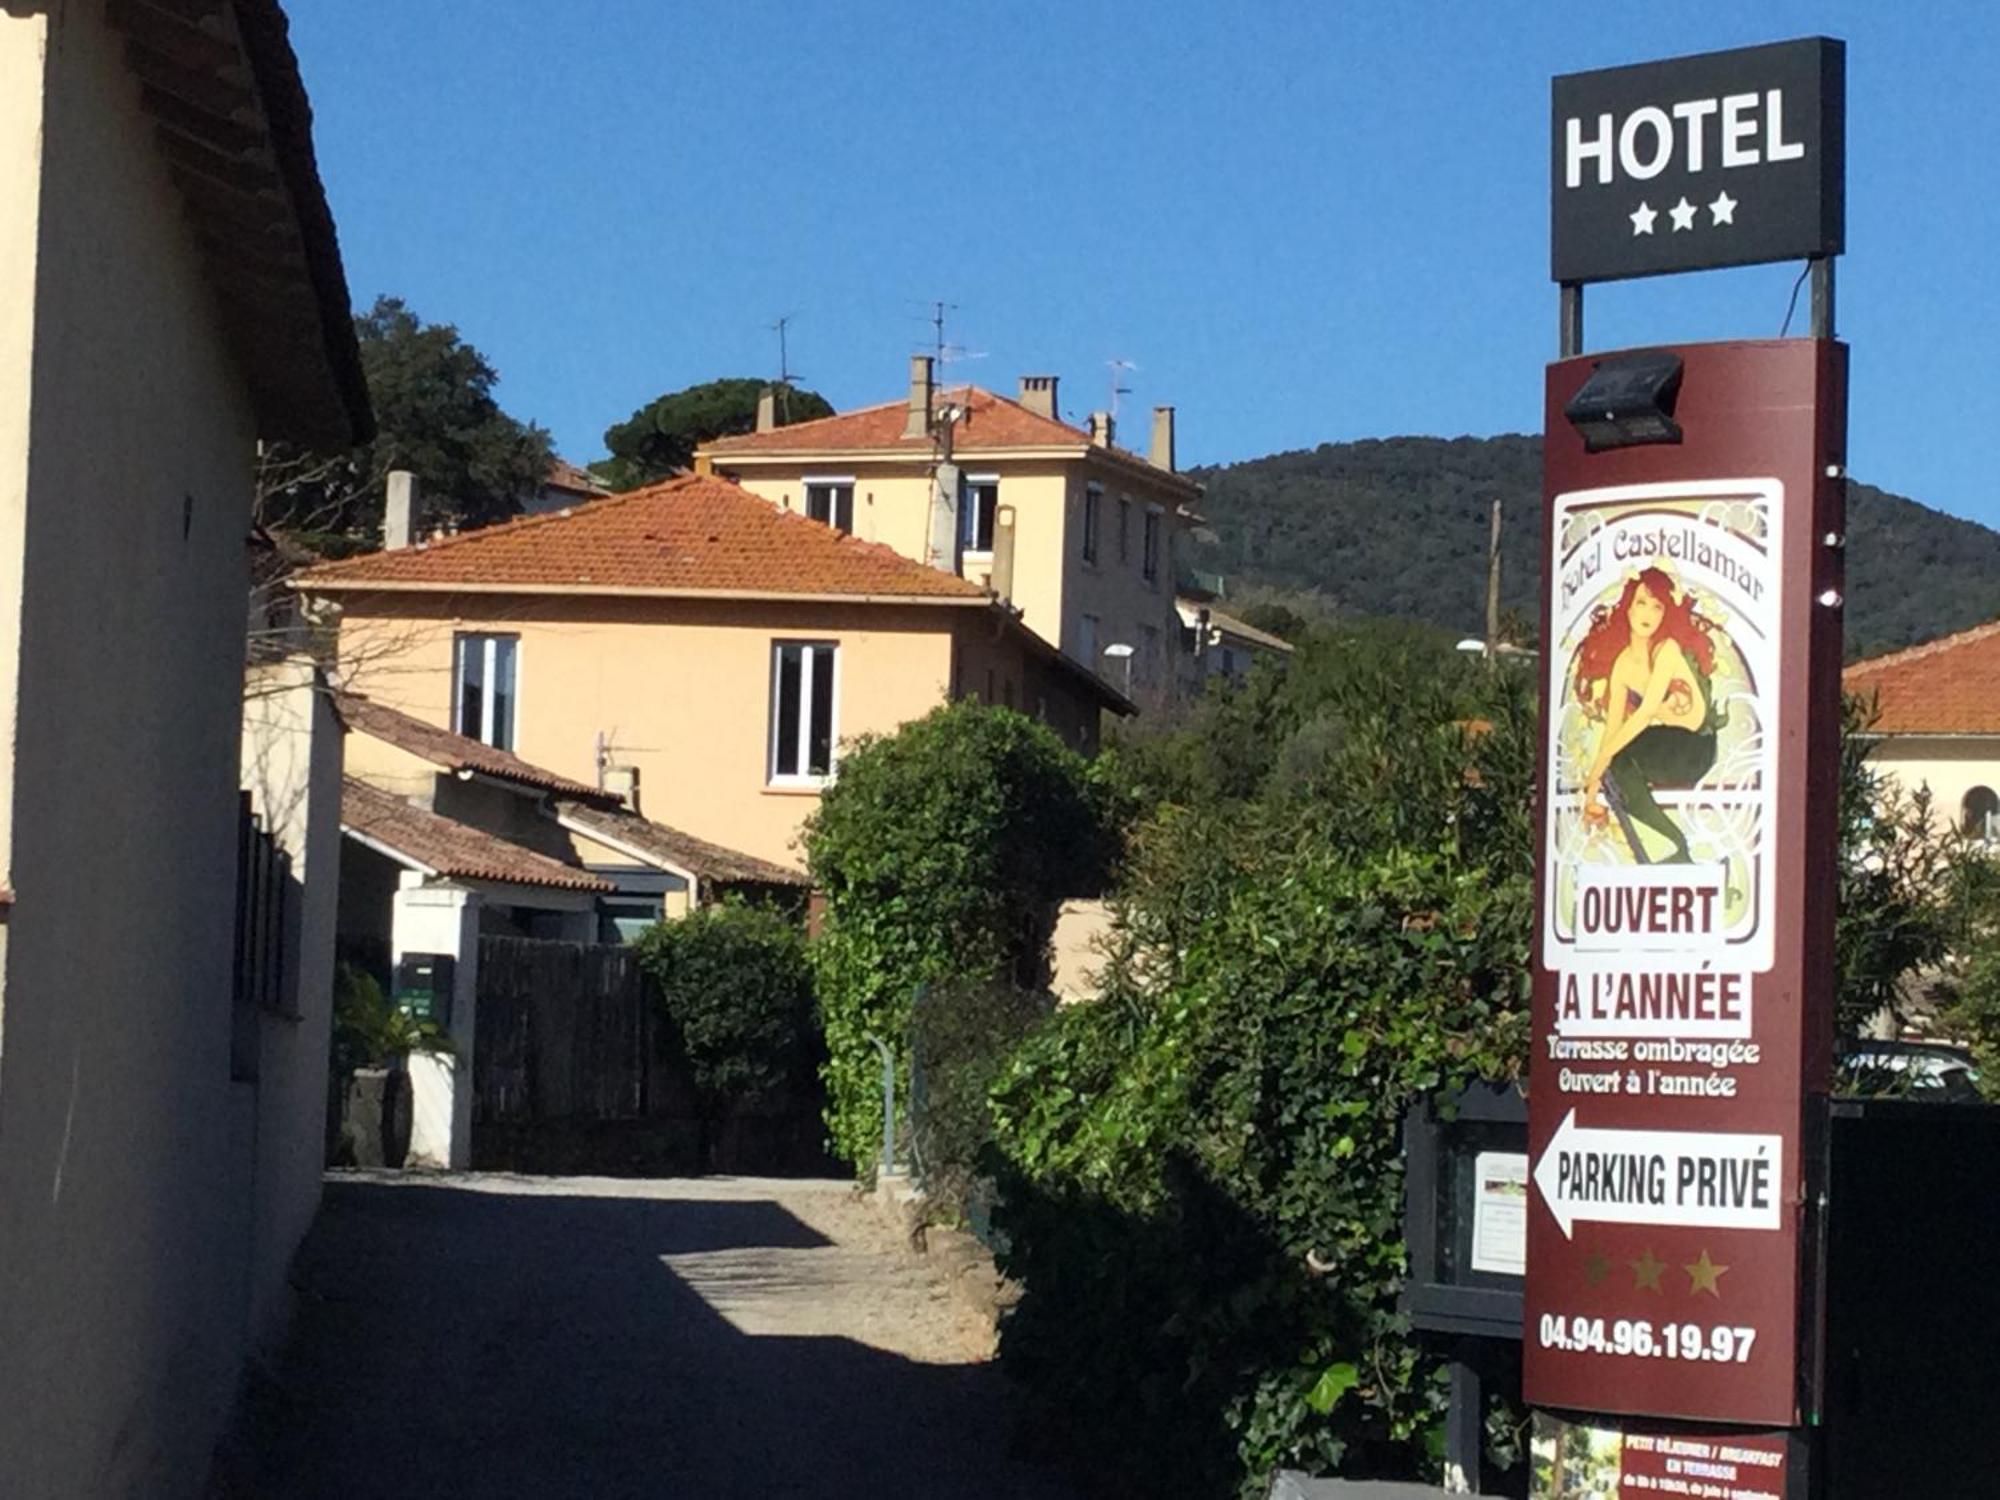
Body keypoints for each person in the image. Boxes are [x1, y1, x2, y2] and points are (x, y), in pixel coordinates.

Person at [1572, 566, 1721, 864]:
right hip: (1664, 748)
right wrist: (1590, 792)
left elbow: (1644, 714)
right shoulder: (1624, 664)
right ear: (1627, 607)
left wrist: (1595, 772)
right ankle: (1665, 849)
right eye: (1641, 602)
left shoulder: (1667, 650)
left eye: (1657, 606)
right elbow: (1613, 729)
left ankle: (1674, 845)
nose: (1648, 614)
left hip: (1695, 747)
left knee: (1619, 759)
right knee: (1617, 767)